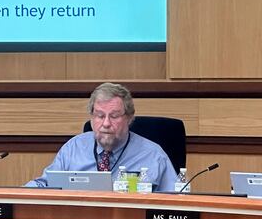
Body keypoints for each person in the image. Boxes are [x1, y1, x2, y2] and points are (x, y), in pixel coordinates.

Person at [26, 82, 177, 191]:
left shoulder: (153, 155)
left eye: (114, 116)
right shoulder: (74, 148)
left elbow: (177, 200)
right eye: (99, 116)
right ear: (92, 117)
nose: (106, 123)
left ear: (129, 118)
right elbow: (45, 184)